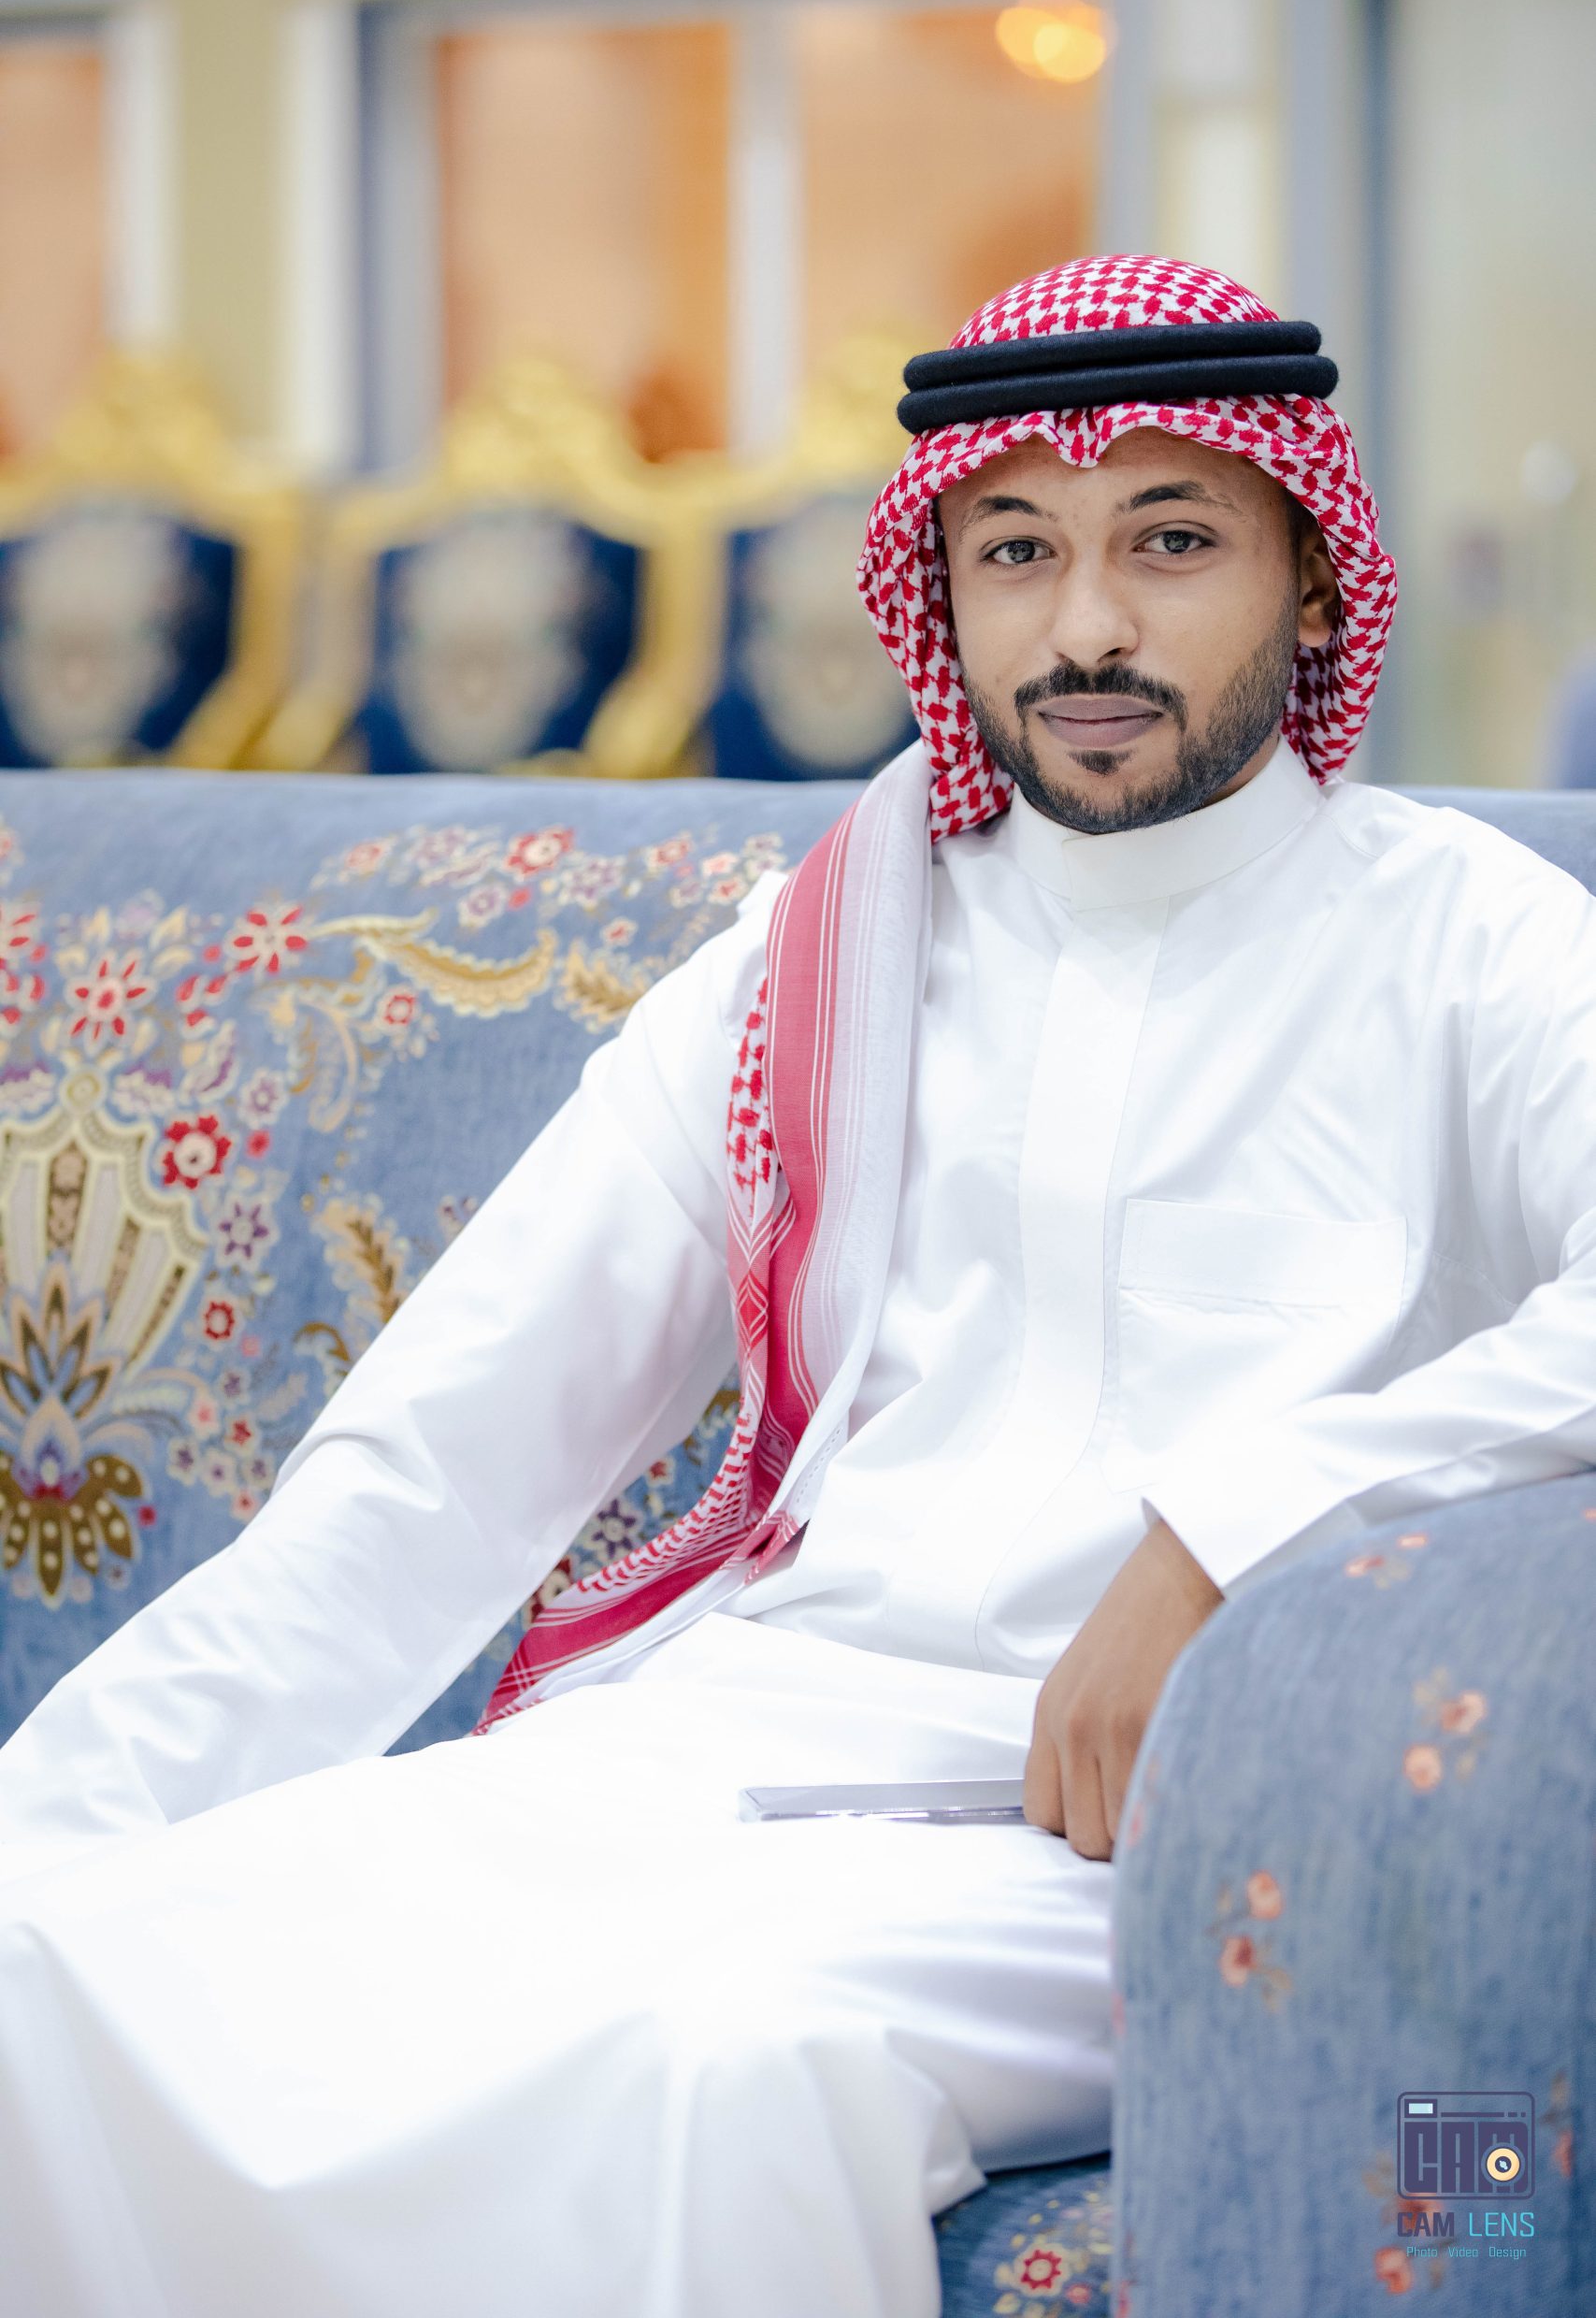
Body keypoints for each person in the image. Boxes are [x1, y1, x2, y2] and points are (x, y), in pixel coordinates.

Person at [4, 252, 1596, 2318]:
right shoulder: (823, 958)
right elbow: (436, 1464)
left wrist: (1235, 1528)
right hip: (714, 1754)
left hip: (1109, 1833)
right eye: (1013, 551)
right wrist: (52, 1817)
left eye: (1169, 542)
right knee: (76, 1965)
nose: (1085, 628)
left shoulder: (1467, 941)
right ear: (941, 591)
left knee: (719, 2070)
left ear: (1309, 578)